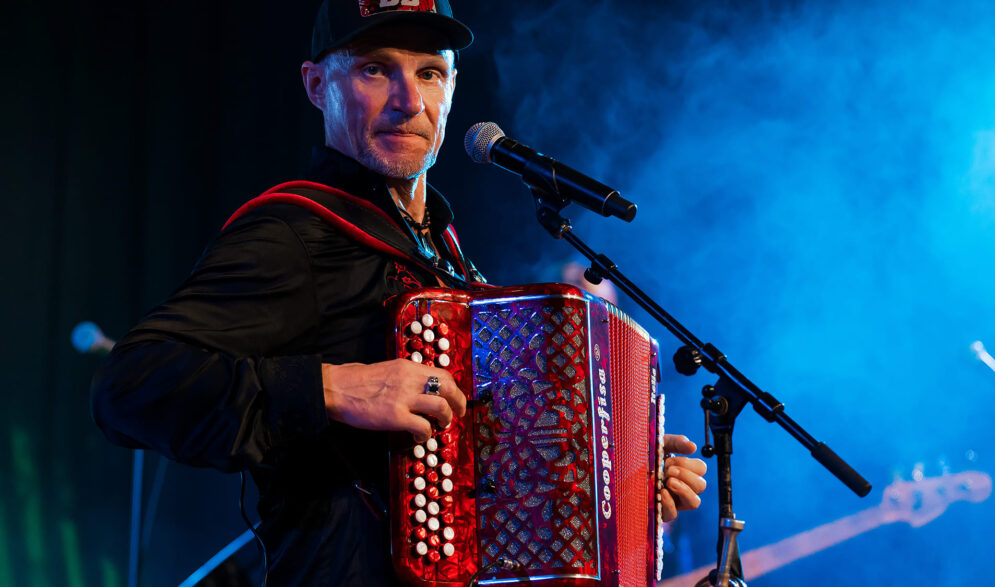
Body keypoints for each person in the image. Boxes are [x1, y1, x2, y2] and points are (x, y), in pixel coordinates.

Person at [90, 1, 708, 584]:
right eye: (374, 69)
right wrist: (333, 388)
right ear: (316, 85)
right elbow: (128, 387)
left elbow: (485, 468)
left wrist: (614, 477)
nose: (408, 100)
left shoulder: (448, 254)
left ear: (452, 90)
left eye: (429, 73)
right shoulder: (294, 233)